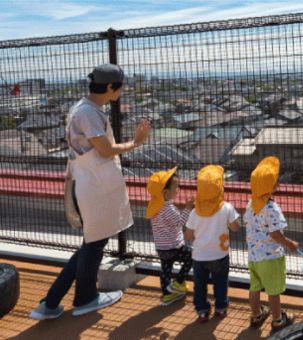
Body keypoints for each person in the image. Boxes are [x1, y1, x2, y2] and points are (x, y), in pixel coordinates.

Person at [30, 64, 151, 320]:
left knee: (92, 243)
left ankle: (52, 303)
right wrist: (136, 143)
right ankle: (81, 299)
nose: (122, 90)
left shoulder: (84, 108)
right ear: (110, 87)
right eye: (120, 86)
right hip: (92, 186)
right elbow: (105, 150)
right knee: (93, 244)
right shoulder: (89, 113)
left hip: (89, 182)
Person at [244, 156, 299, 332]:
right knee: (273, 291)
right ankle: (277, 320)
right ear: (273, 187)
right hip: (270, 257)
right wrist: (290, 244)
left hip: (253, 257)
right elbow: (275, 234)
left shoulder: (251, 204)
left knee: (254, 287)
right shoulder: (272, 208)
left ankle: (256, 315)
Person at [184, 165, 240, 321]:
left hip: (199, 257)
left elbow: (188, 236)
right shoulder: (227, 208)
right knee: (221, 284)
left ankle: (202, 310)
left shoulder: (195, 212)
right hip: (220, 256)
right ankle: (221, 308)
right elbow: (235, 228)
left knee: (200, 286)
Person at [146, 167, 194, 306]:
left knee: (165, 270)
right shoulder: (167, 208)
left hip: (161, 248)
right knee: (191, 256)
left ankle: (167, 295)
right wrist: (188, 208)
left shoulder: (154, 206)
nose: (178, 189)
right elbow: (179, 222)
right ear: (166, 192)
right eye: (176, 187)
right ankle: (178, 282)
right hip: (174, 247)